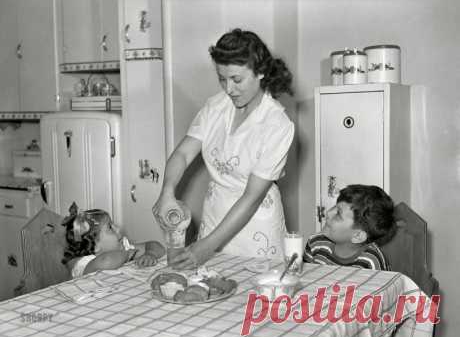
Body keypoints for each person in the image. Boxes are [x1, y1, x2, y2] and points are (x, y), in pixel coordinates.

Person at [153, 28, 295, 269]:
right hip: (214, 216)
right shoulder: (216, 107)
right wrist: (167, 191)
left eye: (237, 79)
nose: (228, 89)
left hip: (255, 228)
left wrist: (208, 246)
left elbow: (252, 197)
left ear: (260, 72)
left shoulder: (277, 125)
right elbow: (183, 153)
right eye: (222, 78)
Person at [303, 185, 397, 270]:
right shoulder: (315, 243)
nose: (328, 213)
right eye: (334, 206)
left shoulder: (371, 262)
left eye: (338, 213)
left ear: (357, 236)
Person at [62, 203, 165, 278]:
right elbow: (106, 261)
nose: (118, 229)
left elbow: (156, 246)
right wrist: (128, 254)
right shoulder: (83, 264)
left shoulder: (121, 246)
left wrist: (150, 253)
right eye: (110, 227)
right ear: (96, 246)